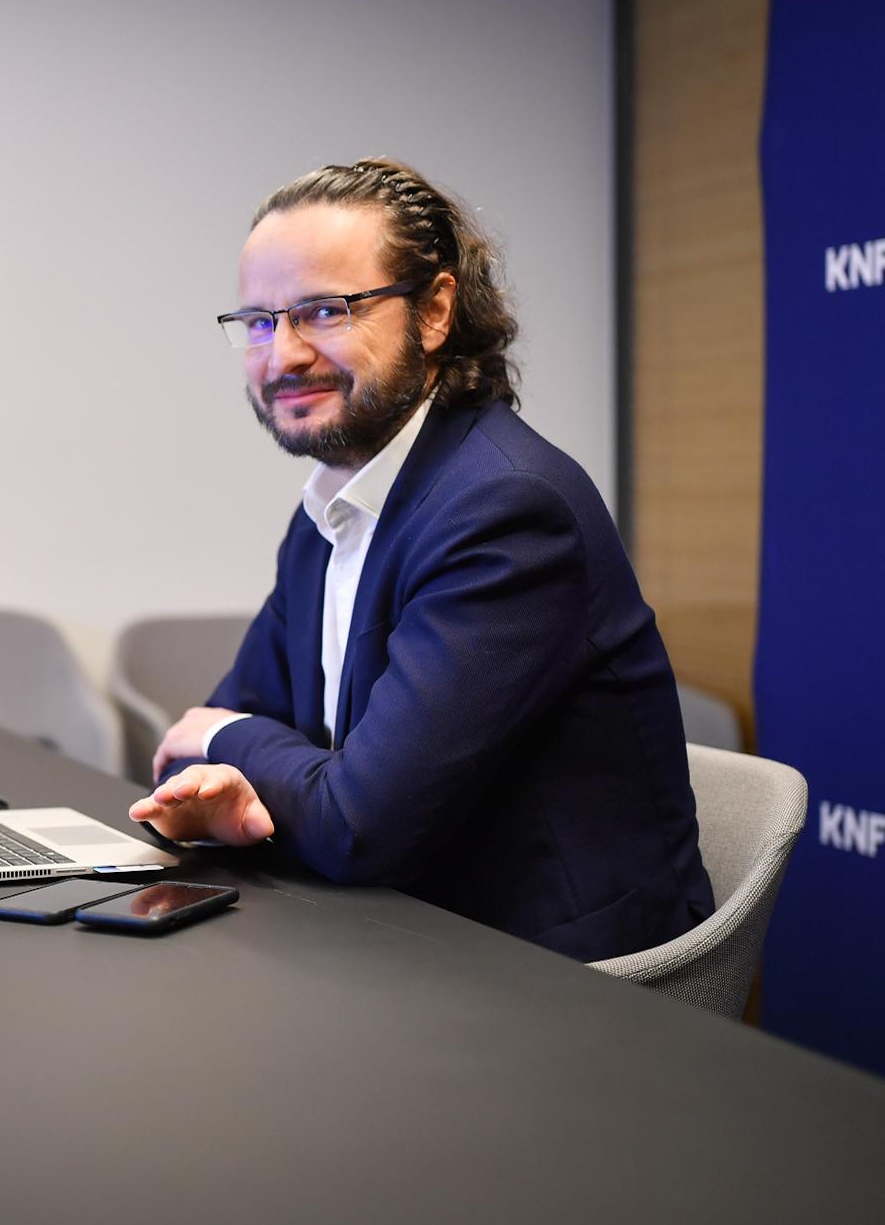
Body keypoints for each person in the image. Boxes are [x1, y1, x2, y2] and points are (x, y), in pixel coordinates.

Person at [130, 158, 713, 962]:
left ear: (435, 311)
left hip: (553, 977)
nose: (282, 355)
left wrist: (232, 741)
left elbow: (354, 823)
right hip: (393, 931)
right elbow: (215, 750)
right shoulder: (331, 510)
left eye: (324, 311)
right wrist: (237, 762)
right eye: (259, 322)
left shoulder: (507, 511)